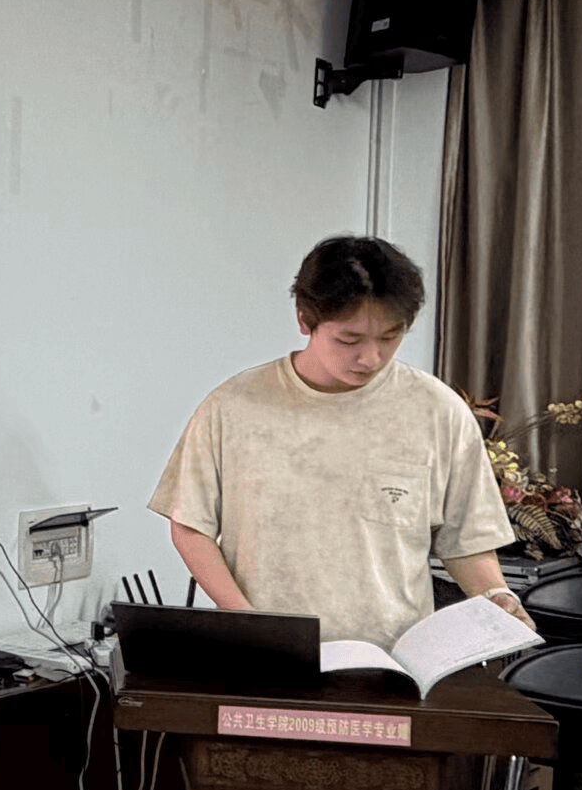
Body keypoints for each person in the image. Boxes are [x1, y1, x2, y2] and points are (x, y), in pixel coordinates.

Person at [148, 235, 532, 650]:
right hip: (269, 655)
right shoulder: (235, 406)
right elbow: (190, 525)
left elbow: (467, 542)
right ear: (304, 320)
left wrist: (497, 595)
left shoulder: (439, 412)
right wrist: (245, 618)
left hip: (396, 659)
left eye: (390, 337)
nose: (371, 358)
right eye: (349, 340)